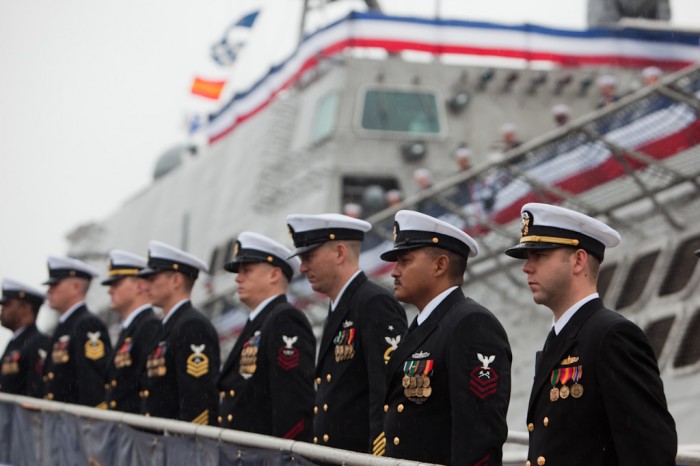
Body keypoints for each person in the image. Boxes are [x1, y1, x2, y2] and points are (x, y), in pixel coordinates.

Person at [504, 202, 677, 466]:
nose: (527, 267)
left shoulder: (612, 336)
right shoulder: (562, 338)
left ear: (578, 260)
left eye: (539, 255)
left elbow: (649, 449)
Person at [380, 210, 512, 464]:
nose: (394, 272)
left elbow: (480, 434)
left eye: (405, 261)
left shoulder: (471, 324)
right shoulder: (426, 324)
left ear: (440, 265)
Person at [286, 213, 407, 454]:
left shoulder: (374, 304)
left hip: (358, 456)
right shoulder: (341, 306)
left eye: (308, 256)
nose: (302, 267)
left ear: (340, 253)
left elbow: (387, 392)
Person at [218, 231, 315, 440]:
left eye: (247, 270)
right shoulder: (260, 320)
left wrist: (283, 456)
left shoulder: (284, 319)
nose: (238, 277)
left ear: (274, 275)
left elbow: (293, 400)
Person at [139, 240, 220, 425]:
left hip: (179, 443)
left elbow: (198, 397)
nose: (145, 286)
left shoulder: (191, 326)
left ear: (176, 280)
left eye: (152, 279)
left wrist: (190, 442)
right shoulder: (168, 326)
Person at [42, 256, 112, 406]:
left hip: (75, 422)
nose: (49, 290)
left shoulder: (87, 325)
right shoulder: (66, 325)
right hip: (60, 420)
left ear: (75, 287)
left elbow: (93, 383)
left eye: (55, 285)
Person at [101, 249, 161, 413]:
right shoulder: (132, 327)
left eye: (116, 283)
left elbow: (147, 386)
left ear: (140, 286)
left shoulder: (149, 326)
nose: (110, 290)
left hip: (135, 431)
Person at [0, 279, 50, 397]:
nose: (2, 310)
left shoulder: (38, 342)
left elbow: (35, 390)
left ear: (26, 307)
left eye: (7, 305)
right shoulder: (16, 341)